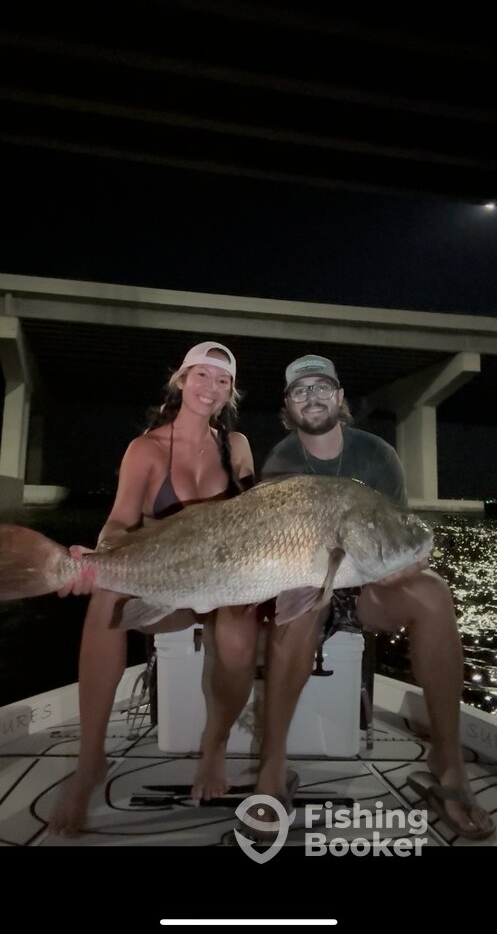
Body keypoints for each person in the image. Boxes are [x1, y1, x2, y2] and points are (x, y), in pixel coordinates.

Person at [255, 352, 495, 840]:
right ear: (288, 405)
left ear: (340, 397)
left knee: (433, 593)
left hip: (366, 585)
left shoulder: (378, 455)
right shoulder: (281, 459)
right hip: (308, 581)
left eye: (323, 386)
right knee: (298, 617)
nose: (313, 397)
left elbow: (399, 533)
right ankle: (272, 769)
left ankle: (447, 764)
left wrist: (404, 566)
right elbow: (276, 547)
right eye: (301, 390)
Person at [48, 340, 255, 836]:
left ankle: (215, 747)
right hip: (169, 587)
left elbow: (254, 520)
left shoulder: (239, 447)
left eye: (222, 380)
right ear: (181, 381)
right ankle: (90, 761)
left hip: (224, 583)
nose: (211, 387)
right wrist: (99, 557)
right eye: (201, 375)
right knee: (105, 600)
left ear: (229, 394)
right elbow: (119, 522)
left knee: (236, 637)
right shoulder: (145, 449)